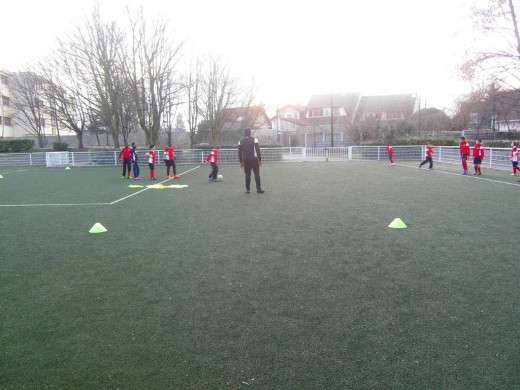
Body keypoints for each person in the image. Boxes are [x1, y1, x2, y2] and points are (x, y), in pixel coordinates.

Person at [238, 127, 264, 193]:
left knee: (247, 174)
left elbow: (239, 152)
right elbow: (258, 150)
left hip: (245, 160)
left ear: (244, 133)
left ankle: (247, 189)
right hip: (254, 159)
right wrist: (260, 159)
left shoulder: (240, 141)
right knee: (257, 174)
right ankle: (258, 189)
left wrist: (241, 161)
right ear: (250, 132)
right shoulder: (254, 139)